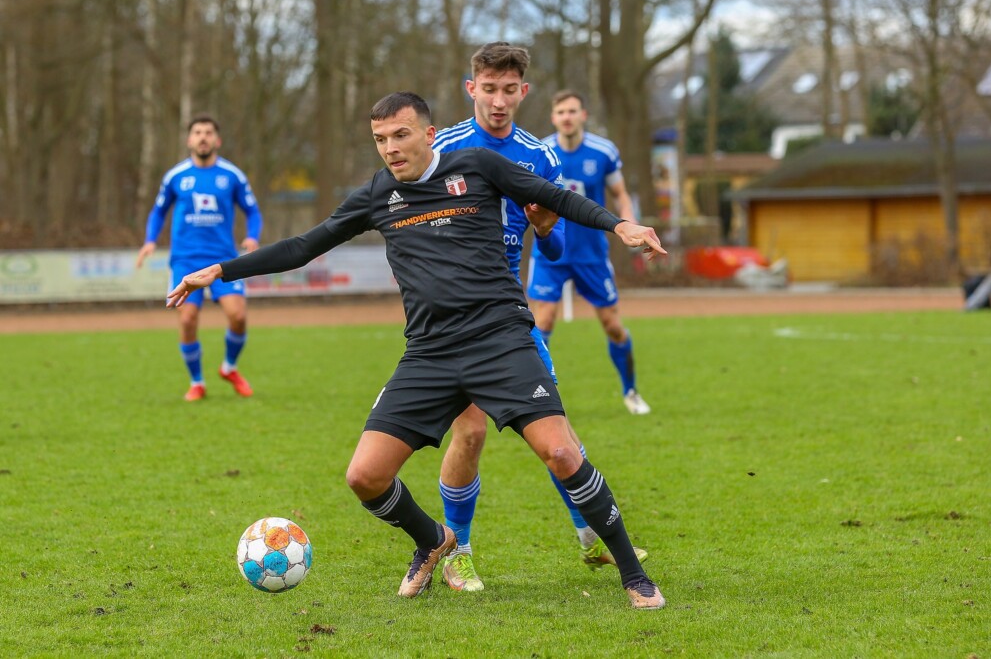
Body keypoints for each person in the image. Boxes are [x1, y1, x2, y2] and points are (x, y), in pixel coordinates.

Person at [167, 92, 667, 609]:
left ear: (429, 134)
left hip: (501, 341)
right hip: (430, 354)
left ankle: (632, 573)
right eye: (380, 139)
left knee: (562, 452)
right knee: (364, 477)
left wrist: (620, 225)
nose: (390, 149)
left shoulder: (477, 165)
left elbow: (555, 197)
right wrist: (222, 270)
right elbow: (302, 246)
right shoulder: (377, 195)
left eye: (400, 135)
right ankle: (433, 541)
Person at [431, 43, 645, 594]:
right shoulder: (442, 148)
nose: (498, 100)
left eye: (509, 90)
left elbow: (551, 251)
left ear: (523, 93)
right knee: (471, 432)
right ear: (470, 87)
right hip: (454, 319)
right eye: (488, 88)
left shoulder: (539, 157)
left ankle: (591, 539)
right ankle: (458, 552)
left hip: (509, 314)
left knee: (557, 437)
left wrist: (546, 230)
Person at [528, 90, 651, 415]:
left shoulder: (603, 151)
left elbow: (621, 195)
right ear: (554, 118)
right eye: (560, 112)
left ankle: (631, 391)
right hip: (550, 251)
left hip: (591, 255)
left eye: (572, 111)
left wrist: (631, 224)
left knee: (612, 324)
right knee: (543, 321)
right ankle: (541, 402)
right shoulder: (541, 151)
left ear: (583, 115)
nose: (566, 117)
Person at [136, 114, 262, 401]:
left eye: (208, 132)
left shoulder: (232, 175)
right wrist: (149, 240)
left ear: (216, 140)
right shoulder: (175, 176)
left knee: (238, 316)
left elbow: (253, 211)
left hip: (223, 259)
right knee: (188, 319)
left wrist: (253, 236)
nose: (203, 137)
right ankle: (197, 383)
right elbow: (158, 211)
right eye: (197, 132)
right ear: (189, 140)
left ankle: (229, 368)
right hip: (185, 260)